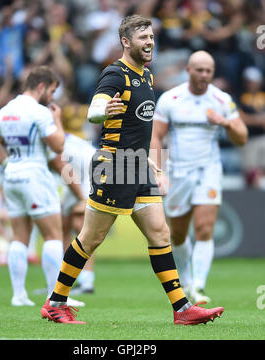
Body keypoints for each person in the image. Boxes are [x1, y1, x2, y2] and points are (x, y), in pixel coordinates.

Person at [41, 15, 224, 325]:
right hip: (114, 167)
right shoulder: (115, 73)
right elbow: (95, 110)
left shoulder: (146, 76)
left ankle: (182, 310)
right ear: (126, 42)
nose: (150, 42)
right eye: (143, 38)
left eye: (151, 36)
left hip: (138, 166)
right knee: (91, 238)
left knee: (160, 233)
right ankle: (56, 302)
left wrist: (148, 159)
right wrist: (102, 112)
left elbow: (136, 126)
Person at [151, 50, 248, 303]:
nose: (204, 75)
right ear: (188, 70)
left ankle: (199, 286)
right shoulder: (171, 98)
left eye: (208, 71)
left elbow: (242, 137)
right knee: (179, 234)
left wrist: (226, 124)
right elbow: (155, 136)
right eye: (199, 70)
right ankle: (186, 279)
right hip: (178, 171)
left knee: (205, 228)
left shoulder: (221, 100)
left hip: (209, 169)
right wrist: (159, 171)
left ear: (213, 73)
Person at [0, 66, 66, 307]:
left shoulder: (6, 110)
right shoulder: (39, 112)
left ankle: (18, 295)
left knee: (19, 237)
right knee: (53, 235)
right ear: (41, 87)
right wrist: (57, 120)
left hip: (12, 176)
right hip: (35, 174)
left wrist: (7, 162)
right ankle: (54, 296)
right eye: (51, 90)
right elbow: (59, 146)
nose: (52, 96)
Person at [48, 133, 97, 295]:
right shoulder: (53, 131)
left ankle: (86, 281)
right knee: (62, 225)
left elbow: (67, 172)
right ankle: (62, 280)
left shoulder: (49, 144)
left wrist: (83, 200)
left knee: (81, 225)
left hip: (92, 171)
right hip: (80, 173)